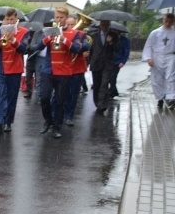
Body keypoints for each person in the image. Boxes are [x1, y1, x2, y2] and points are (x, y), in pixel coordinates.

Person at [34, 8, 82, 138]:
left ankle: (56, 126)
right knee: (44, 97)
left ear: (66, 17)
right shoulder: (48, 31)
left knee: (60, 101)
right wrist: (46, 39)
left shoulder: (74, 33)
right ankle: (48, 120)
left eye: (61, 17)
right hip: (48, 69)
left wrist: (64, 40)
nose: (58, 20)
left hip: (64, 71)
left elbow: (77, 49)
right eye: (56, 17)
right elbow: (37, 46)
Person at [0, 8, 30, 133]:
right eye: (7, 19)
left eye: (12, 19)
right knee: (0, 96)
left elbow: (24, 49)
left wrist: (13, 40)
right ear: (4, 19)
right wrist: (2, 41)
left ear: (17, 19)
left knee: (12, 97)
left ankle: (8, 122)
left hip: (15, 68)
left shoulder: (24, 32)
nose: (9, 22)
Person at [142, 13, 175, 109]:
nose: (168, 23)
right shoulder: (155, 33)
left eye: (170, 22)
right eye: (166, 21)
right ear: (163, 21)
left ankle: (171, 98)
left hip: (170, 57)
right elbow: (148, 46)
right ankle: (160, 98)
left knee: (170, 77)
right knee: (157, 79)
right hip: (157, 57)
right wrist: (149, 58)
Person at [88, 20, 120, 114]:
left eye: (106, 25)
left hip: (107, 64)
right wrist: (88, 62)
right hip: (96, 63)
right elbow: (91, 50)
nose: (104, 27)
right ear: (100, 25)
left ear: (109, 25)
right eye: (103, 25)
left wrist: (111, 43)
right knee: (97, 85)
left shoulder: (113, 35)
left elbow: (117, 48)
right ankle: (97, 102)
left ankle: (102, 105)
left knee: (104, 84)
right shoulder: (94, 35)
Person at [63, 16, 89, 126]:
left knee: (73, 94)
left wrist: (77, 45)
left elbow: (87, 45)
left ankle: (69, 116)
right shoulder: (61, 33)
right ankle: (60, 114)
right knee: (62, 93)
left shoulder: (81, 34)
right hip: (64, 68)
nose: (70, 27)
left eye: (72, 25)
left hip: (77, 68)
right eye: (68, 24)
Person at [110, 32, 131, 98]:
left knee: (113, 77)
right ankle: (114, 91)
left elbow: (126, 51)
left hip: (118, 61)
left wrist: (123, 61)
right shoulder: (111, 38)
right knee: (109, 78)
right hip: (110, 61)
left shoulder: (124, 40)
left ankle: (111, 92)